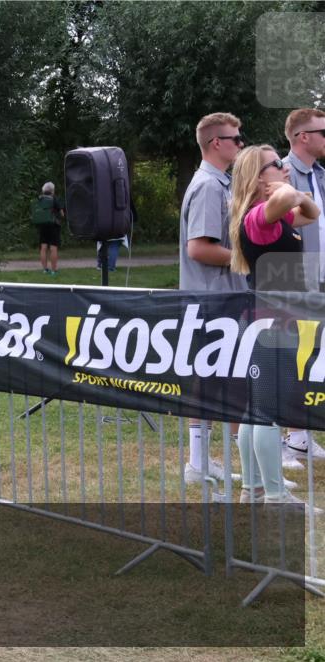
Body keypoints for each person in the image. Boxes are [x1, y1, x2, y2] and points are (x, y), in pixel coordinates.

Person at [227, 144, 321, 507]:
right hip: (269, 325)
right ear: (258, 176)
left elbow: (310, 213)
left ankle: (253, 489)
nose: (286, 168)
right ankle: (276, 495)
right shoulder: (258, 218)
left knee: (256, 410)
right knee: (267, 412)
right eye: (277, 164)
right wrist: (291, 193)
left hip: (274, 322)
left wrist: (292, 193)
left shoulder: (274, 216)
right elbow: (295, 200)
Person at [178, 112, 252, 484]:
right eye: (236, 139)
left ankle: (208, 462)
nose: (241, 144)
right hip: (212, 298)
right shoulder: (208, 186)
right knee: (209, 379)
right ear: (216, 144)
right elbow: (199, 249)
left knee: (222, 379)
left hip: (222, 297)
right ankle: (198, 462)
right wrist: (244, 258)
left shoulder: (219, 183)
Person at [281, 108, 325, 462]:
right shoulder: (280, 174)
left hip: (320, 278)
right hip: (293, 279)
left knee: (313, 356)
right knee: (291, 355)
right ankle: (289, 435)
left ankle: (301, 434)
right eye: (322, 131)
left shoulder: (319, 174)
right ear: (302, 137)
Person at [31, 182, 63, 276]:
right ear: (52, 190)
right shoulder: (54, 199)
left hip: (42, 226)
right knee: (53, 248)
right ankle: (54, 271)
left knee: (43, 248)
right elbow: (62, 214)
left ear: (43, 190)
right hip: (53, 226)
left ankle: (45, 270)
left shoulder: (39, 199)